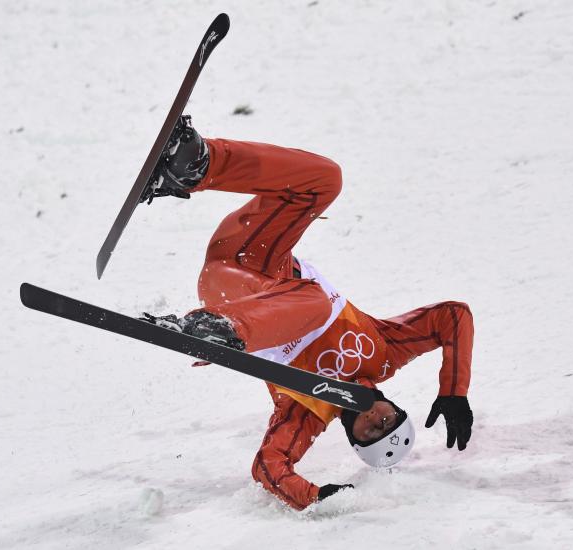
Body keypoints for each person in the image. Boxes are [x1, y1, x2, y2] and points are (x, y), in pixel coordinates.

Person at [140, 115, 475, 510]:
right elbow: (452, 317)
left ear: (353, 437)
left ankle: (216, 332)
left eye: (371, 434)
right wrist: (454, 391)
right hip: (256, 254)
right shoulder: (386, 351)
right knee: (324, 180)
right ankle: (194, 163)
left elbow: (269, 467)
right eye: (389, 420)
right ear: (395, 406)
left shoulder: (307, 410)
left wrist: (315, 497)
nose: (376, 421)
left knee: (317, 305)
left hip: (231, 299)